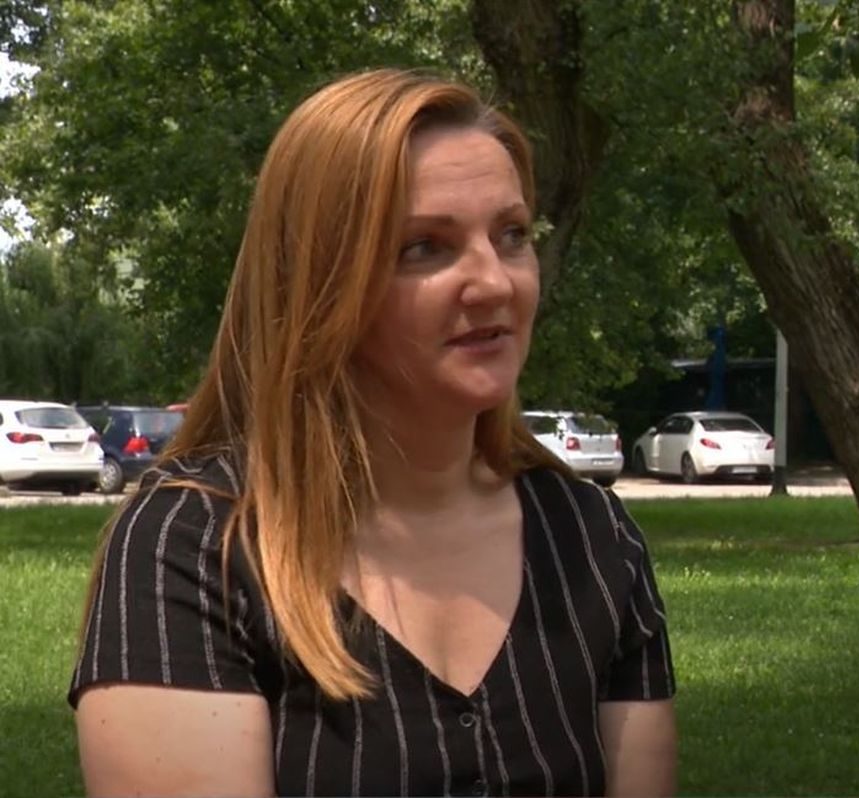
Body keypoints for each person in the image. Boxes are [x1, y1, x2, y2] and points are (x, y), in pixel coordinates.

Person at [70, 69, 676, 797]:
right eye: (424, 247)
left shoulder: (593, 540)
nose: (495, 281)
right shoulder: (194, 548)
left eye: (511, 235)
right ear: (317, 285)